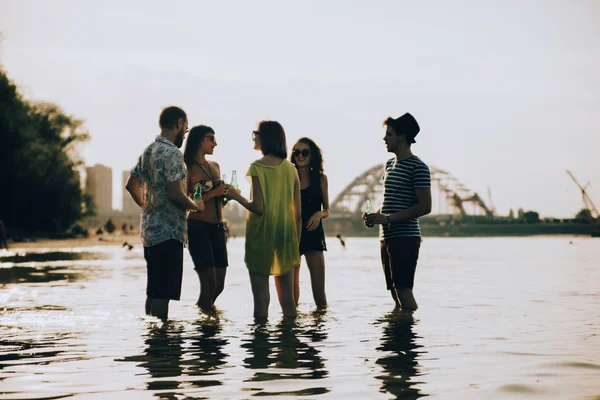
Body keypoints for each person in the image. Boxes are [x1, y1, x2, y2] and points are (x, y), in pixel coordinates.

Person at [126, 106, 204, 320]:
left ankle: (153, 339)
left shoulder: (149, 150)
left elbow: (131, 184)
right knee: (163, 293)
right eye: (185, 130)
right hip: (169, 232)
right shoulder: (172, 153)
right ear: (179, 124)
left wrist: (148, 206)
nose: (184, 135)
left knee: (153, 290)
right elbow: (175, 193)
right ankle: (162, 343)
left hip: (150, 231)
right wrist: (195, 206)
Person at [226, 121, 301, 319]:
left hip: (261, 237)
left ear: (265, 137)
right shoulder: (291, 169)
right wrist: (295, 244)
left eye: (255, 133)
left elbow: (258, 207)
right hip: (285, 238)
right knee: (288, 302)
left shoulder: (257, 167)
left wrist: (236, 196)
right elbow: (298, 214)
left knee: (261, 301)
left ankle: (261, 346)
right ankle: (289, 344)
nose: (254, 137)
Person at [363, 112, 431, 311]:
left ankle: (410, 336)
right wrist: (376, 216)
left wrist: (389, 218)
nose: (385, 139)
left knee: (404, 290)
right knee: (394, 291)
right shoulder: (390, 165)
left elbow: (425, 206)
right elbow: (391, 201)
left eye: (389, 134)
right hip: (387, 237)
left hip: (405, 238)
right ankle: (398, 337)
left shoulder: (418, 167)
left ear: (402, 137)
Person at [183, 125, 230, 311]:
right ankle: (205, 327)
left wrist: (226, 195)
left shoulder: (215, 166)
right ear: (198, 140)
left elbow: (221, 201)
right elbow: (185, 200)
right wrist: (213, 193)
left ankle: (205, 315)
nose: (215, 143)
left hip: (218, 228)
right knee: (209, 282)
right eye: (211, 138)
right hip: (198, 226)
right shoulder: (188, 167)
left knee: (219, 284)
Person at [290, 137, 329, 308]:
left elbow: (327, 209)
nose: (300, 155)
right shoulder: (289, 178)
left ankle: (320, 331)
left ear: (312, 156)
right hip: (292, 234)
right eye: (296, 152)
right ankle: (292, 331)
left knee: (320, 296)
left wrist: (319, 214)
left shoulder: (321, 179)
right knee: (292, 297)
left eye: (304, 152)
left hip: (313, 233)